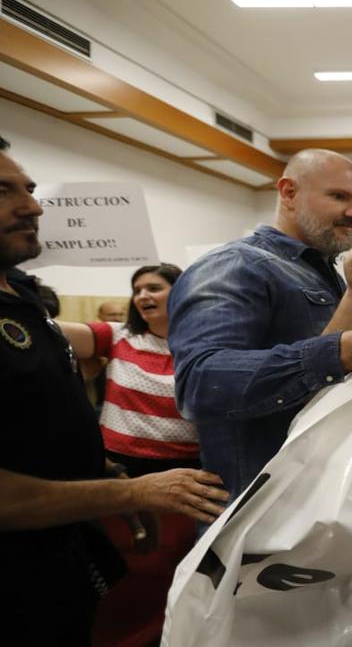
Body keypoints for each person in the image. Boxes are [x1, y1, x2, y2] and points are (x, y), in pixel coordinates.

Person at [0, 134, 228, 644]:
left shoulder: (25, 307)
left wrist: (105, 478)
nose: (34, 206)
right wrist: (128, 488)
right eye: (3, 190)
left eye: (30, 188)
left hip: (70, 550)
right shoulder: (117, 338)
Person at [168, 149, 352, 500]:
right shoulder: (234, 266)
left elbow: (323, 389)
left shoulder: (328, 275)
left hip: (326, 504)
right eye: (338, 196)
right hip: (263, 517)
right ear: (288, 192)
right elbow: (201, 382)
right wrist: (348, 350)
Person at [56, 263, 199, 477]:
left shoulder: (206, 343)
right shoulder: (117, 335)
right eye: (137, 290)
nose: (142, 296)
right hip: (119, 465)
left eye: (153, 288)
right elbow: (45, 329)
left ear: (182, 291)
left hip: (188, 466)